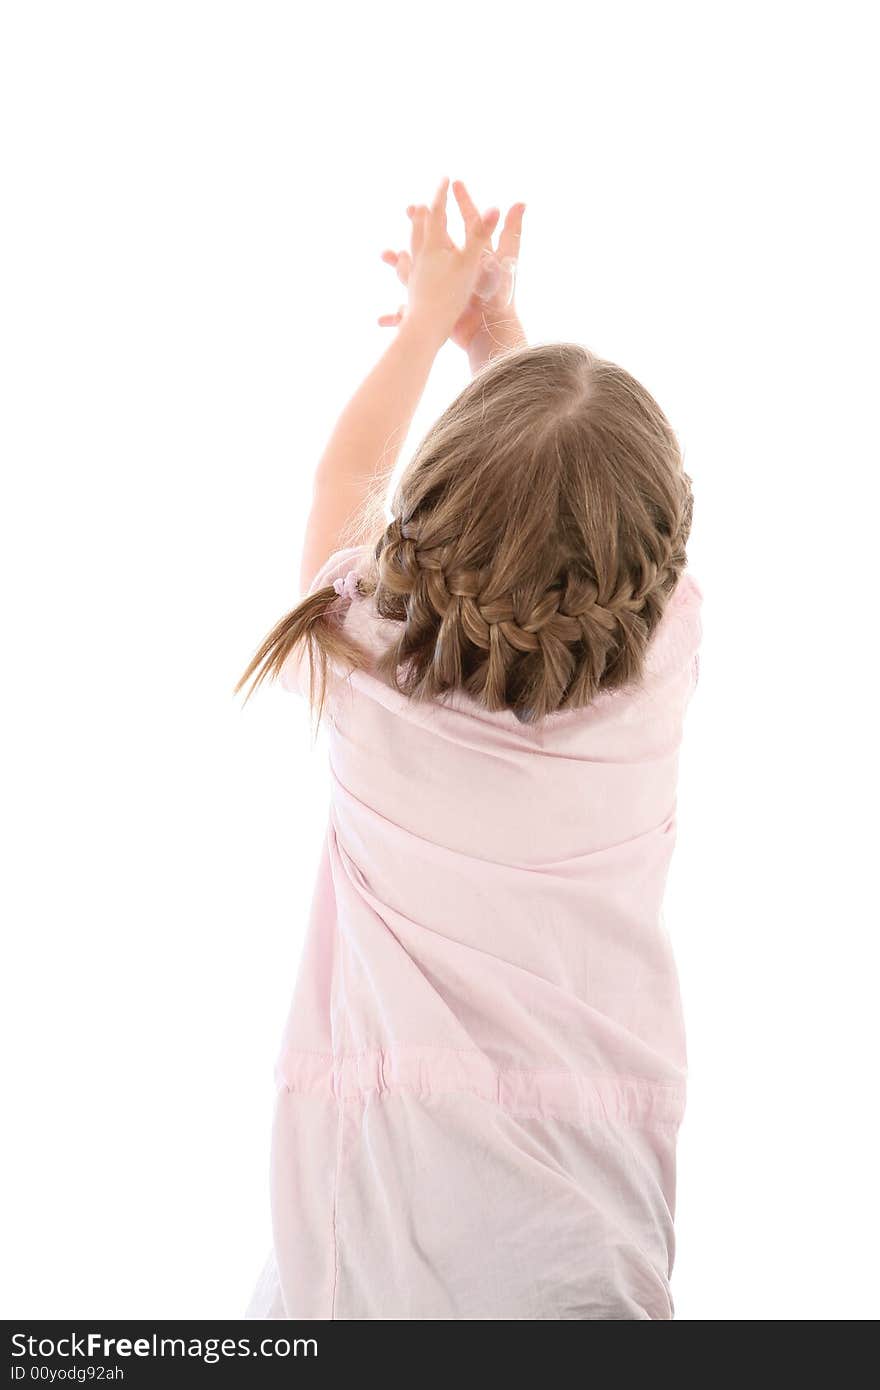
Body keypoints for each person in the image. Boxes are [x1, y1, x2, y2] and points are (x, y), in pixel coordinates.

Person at [238, 179, 703, 1320]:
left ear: (426, 524)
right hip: (584, 1242)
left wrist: (445, 315)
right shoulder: (663, 665)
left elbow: (340, 483)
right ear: (652, 557)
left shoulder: (360, 669)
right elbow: (557, 522)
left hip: (373, 1229)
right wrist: (496, 332)